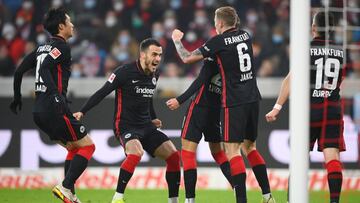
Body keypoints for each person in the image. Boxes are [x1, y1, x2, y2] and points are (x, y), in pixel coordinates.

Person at [171, 6, 274, 203]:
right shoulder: (246, 36)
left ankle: (232, 199)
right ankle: (267, 196)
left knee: (231, 151)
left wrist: (176, 39)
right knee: (250, 147)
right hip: (253, 97)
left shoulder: (217, 43)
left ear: (219, 24)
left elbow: (187, 59)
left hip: (233, 101)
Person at [73, 38, 181, 203]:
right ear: (143, 55)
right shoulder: (124, 72)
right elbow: (102, 92)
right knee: (136, 152)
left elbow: (147, 98)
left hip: (146, 126)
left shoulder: (155, 74)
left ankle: (173, 201)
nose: (158, 59)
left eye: (160, 55)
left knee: (173, 156)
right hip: (125, 126)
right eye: (154, 54)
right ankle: (117, 198)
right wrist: (82, 111)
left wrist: (153, 118)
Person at [9, 7, 95, 203]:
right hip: (54, 108)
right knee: (88, 146)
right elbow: (47, 65)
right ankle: (65, 187)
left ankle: (70, 194)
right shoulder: (62, 47)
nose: (72, 24)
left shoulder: (40, 48)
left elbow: (19, 71)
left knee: (74, 147)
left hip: (38, 111)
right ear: (61, 26)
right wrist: (56, 96)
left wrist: (17, 97)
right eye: (69, 21)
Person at [265, 12, 345, 203]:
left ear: (314, 28)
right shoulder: (340, 50)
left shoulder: (306, 49)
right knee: (332, 156)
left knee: (299, 159)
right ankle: (335, 201)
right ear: (332, 29)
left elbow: (291, 79)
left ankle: (292, 200)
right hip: (332, 107)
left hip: (309, 109)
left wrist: (277, 106)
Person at [166, 57, 232, 203]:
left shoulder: (212, 57)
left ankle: (190, 200)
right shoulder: (233, 63)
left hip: (199, 108)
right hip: (216, 111)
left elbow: (199, 80)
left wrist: (180, 100)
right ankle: (238, 190)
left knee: (188, 154)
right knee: (219, 153)